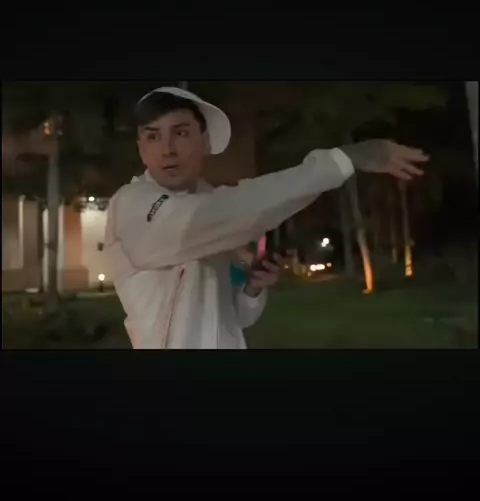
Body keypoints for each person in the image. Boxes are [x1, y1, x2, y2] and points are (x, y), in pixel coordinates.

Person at [105, 86, 429, 349]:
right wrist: (342, 161)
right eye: (152, 136)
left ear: (205, 141)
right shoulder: (133, 205)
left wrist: (252, 288)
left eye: (180, 133)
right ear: (140, 147)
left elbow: (234, 319)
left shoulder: (212, 210)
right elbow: (218, 214)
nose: (167, 149)